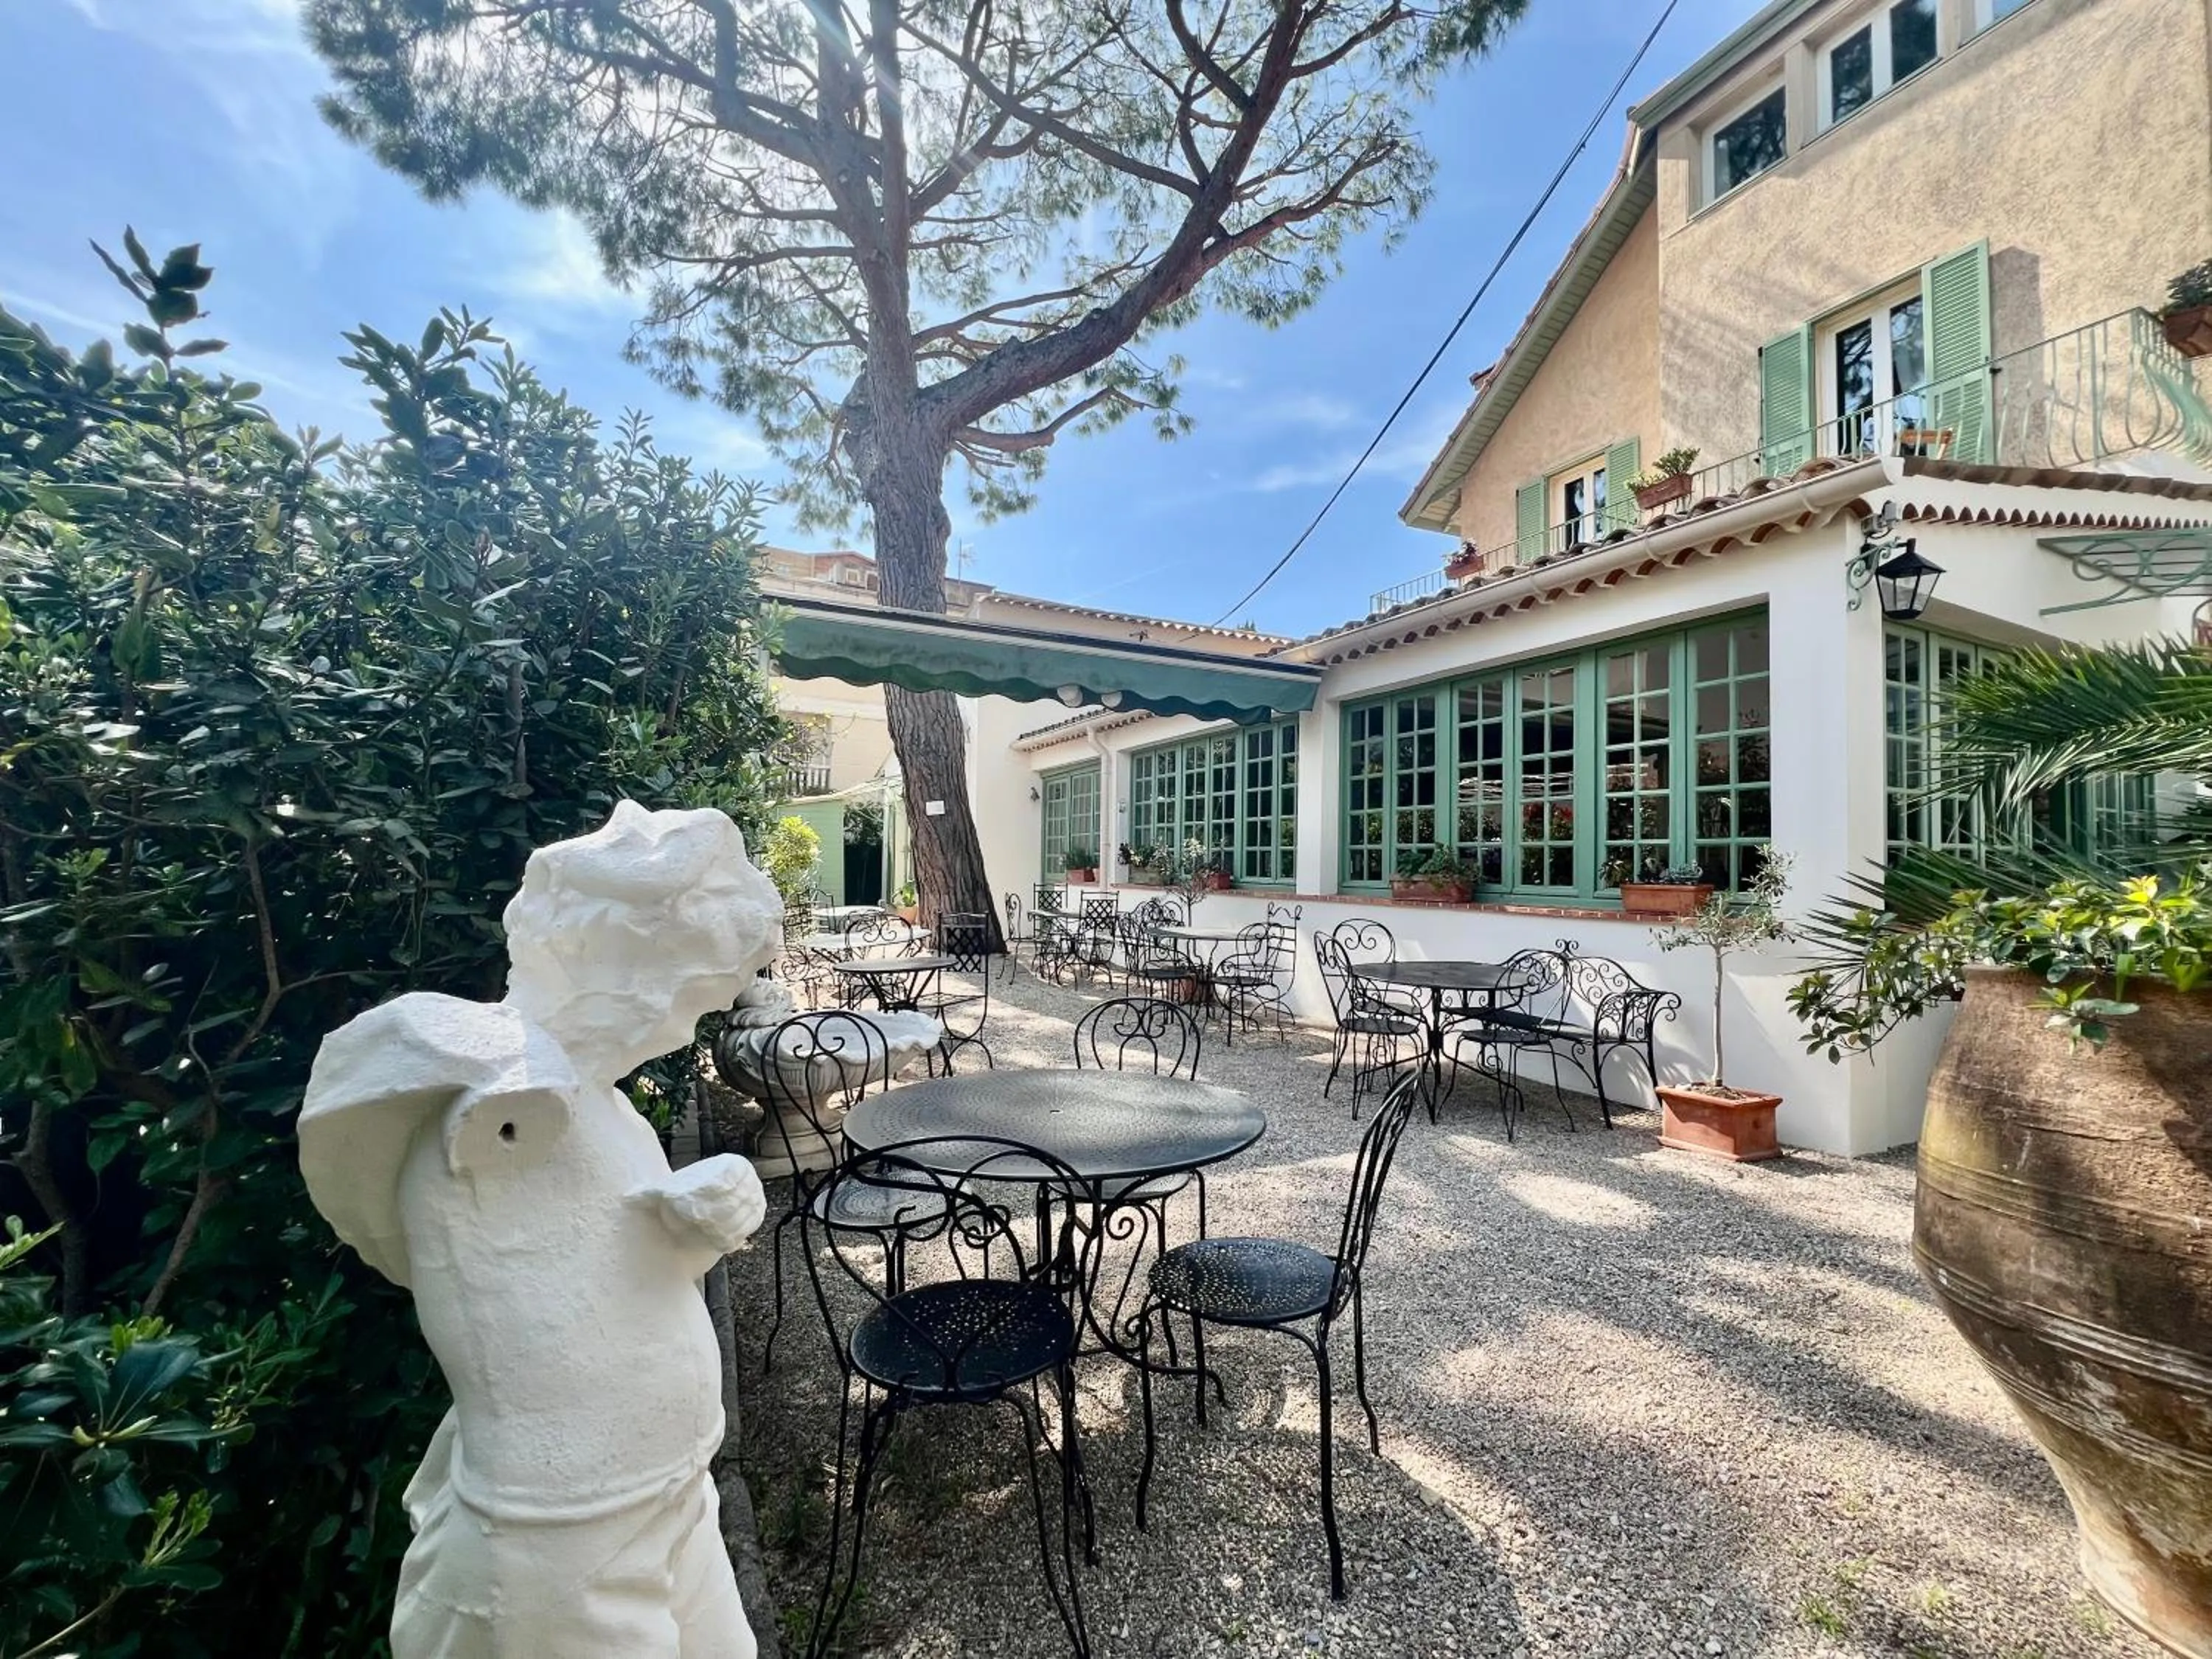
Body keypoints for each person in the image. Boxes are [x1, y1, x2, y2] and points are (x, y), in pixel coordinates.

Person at [302, 800, 782, 1659]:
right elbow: (519, 1330)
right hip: (565, 1536)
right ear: (621, 963)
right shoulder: (490, 1107)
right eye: (691, 998)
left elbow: (598, 1262)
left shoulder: (597, 1104)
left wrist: (700, 1221)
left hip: (668, 1492)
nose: (684, 1030)